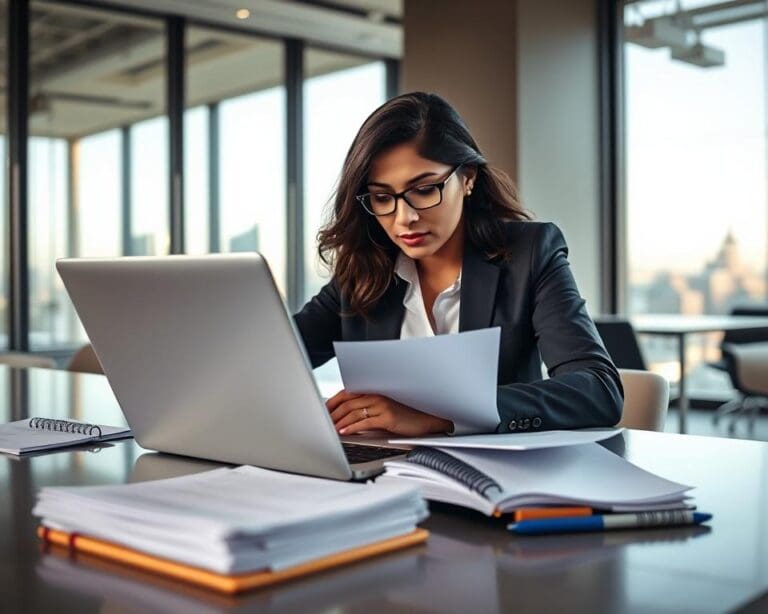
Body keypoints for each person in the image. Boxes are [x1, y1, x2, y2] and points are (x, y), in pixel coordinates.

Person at [294, 92, 623, 437]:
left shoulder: (530, 255)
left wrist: (440, 417)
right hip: (384, 473)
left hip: (498, 476)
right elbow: (274, 359)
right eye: (382, 197)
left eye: (424, 189)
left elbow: (599, 391)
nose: (405, 217)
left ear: (467, 179)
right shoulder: (363, 271)